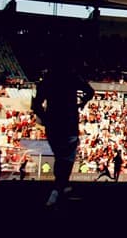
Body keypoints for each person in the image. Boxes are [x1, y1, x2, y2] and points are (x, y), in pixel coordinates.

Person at [31, 56, 95, 208]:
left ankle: (62, 187)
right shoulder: (72, 76)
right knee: (66, 158)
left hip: (53, 123)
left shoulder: (46, 80)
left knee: (60, 156)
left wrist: (45, 118)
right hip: (69, 122)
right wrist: (82, 103)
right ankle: (58, 189)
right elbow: (90, 92)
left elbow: (36, 105)